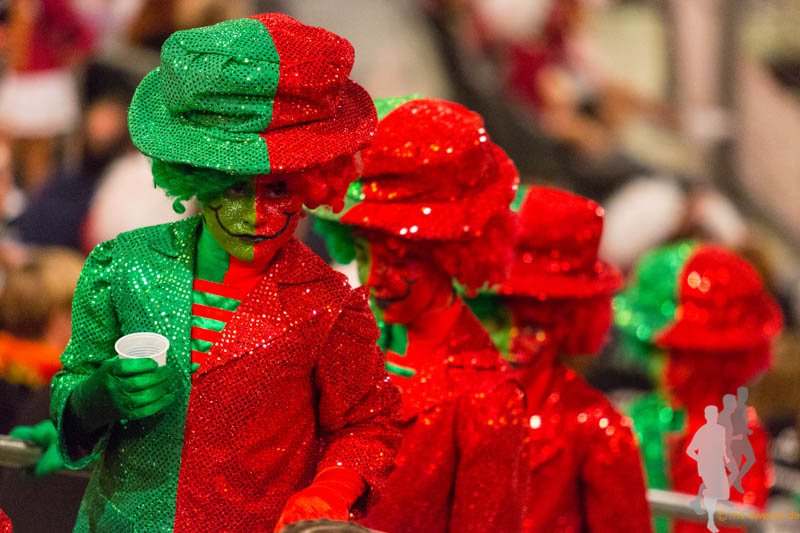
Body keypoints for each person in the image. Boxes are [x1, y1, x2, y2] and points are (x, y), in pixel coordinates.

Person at [49, 14, 401, 532]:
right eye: (234, 186)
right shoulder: (122, 266)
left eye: (277, 188)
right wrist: (96, 397)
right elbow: (71, 396)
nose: (255, 215)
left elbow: (368, 426)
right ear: (195, 175)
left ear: (313, 182)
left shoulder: (330, 306)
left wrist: (332, 489)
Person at [323, 96, 522, 532]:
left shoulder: (486, 398)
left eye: (399, 259)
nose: (375, 279)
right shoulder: (344, 338)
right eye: (363, 254)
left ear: (452, 254)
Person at [467, 185, 652, 532]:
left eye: (533, 324)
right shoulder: (444, 400)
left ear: (568, 321)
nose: (511, 340)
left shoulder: (597, 430)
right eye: (496, 318)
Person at [686, 405, 730, 533]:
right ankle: (710, 522)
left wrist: (726, 458)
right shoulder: (702, 431)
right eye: (710, 415)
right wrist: (700, 459)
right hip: (707, 466)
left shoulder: (721, 430)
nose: (713, 417)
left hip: (718, 465)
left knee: (723, 492)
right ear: (707, 416)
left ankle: (700, 501)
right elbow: (690, 450)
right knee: (712, 491)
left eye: (714, 414)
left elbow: (722, 447)